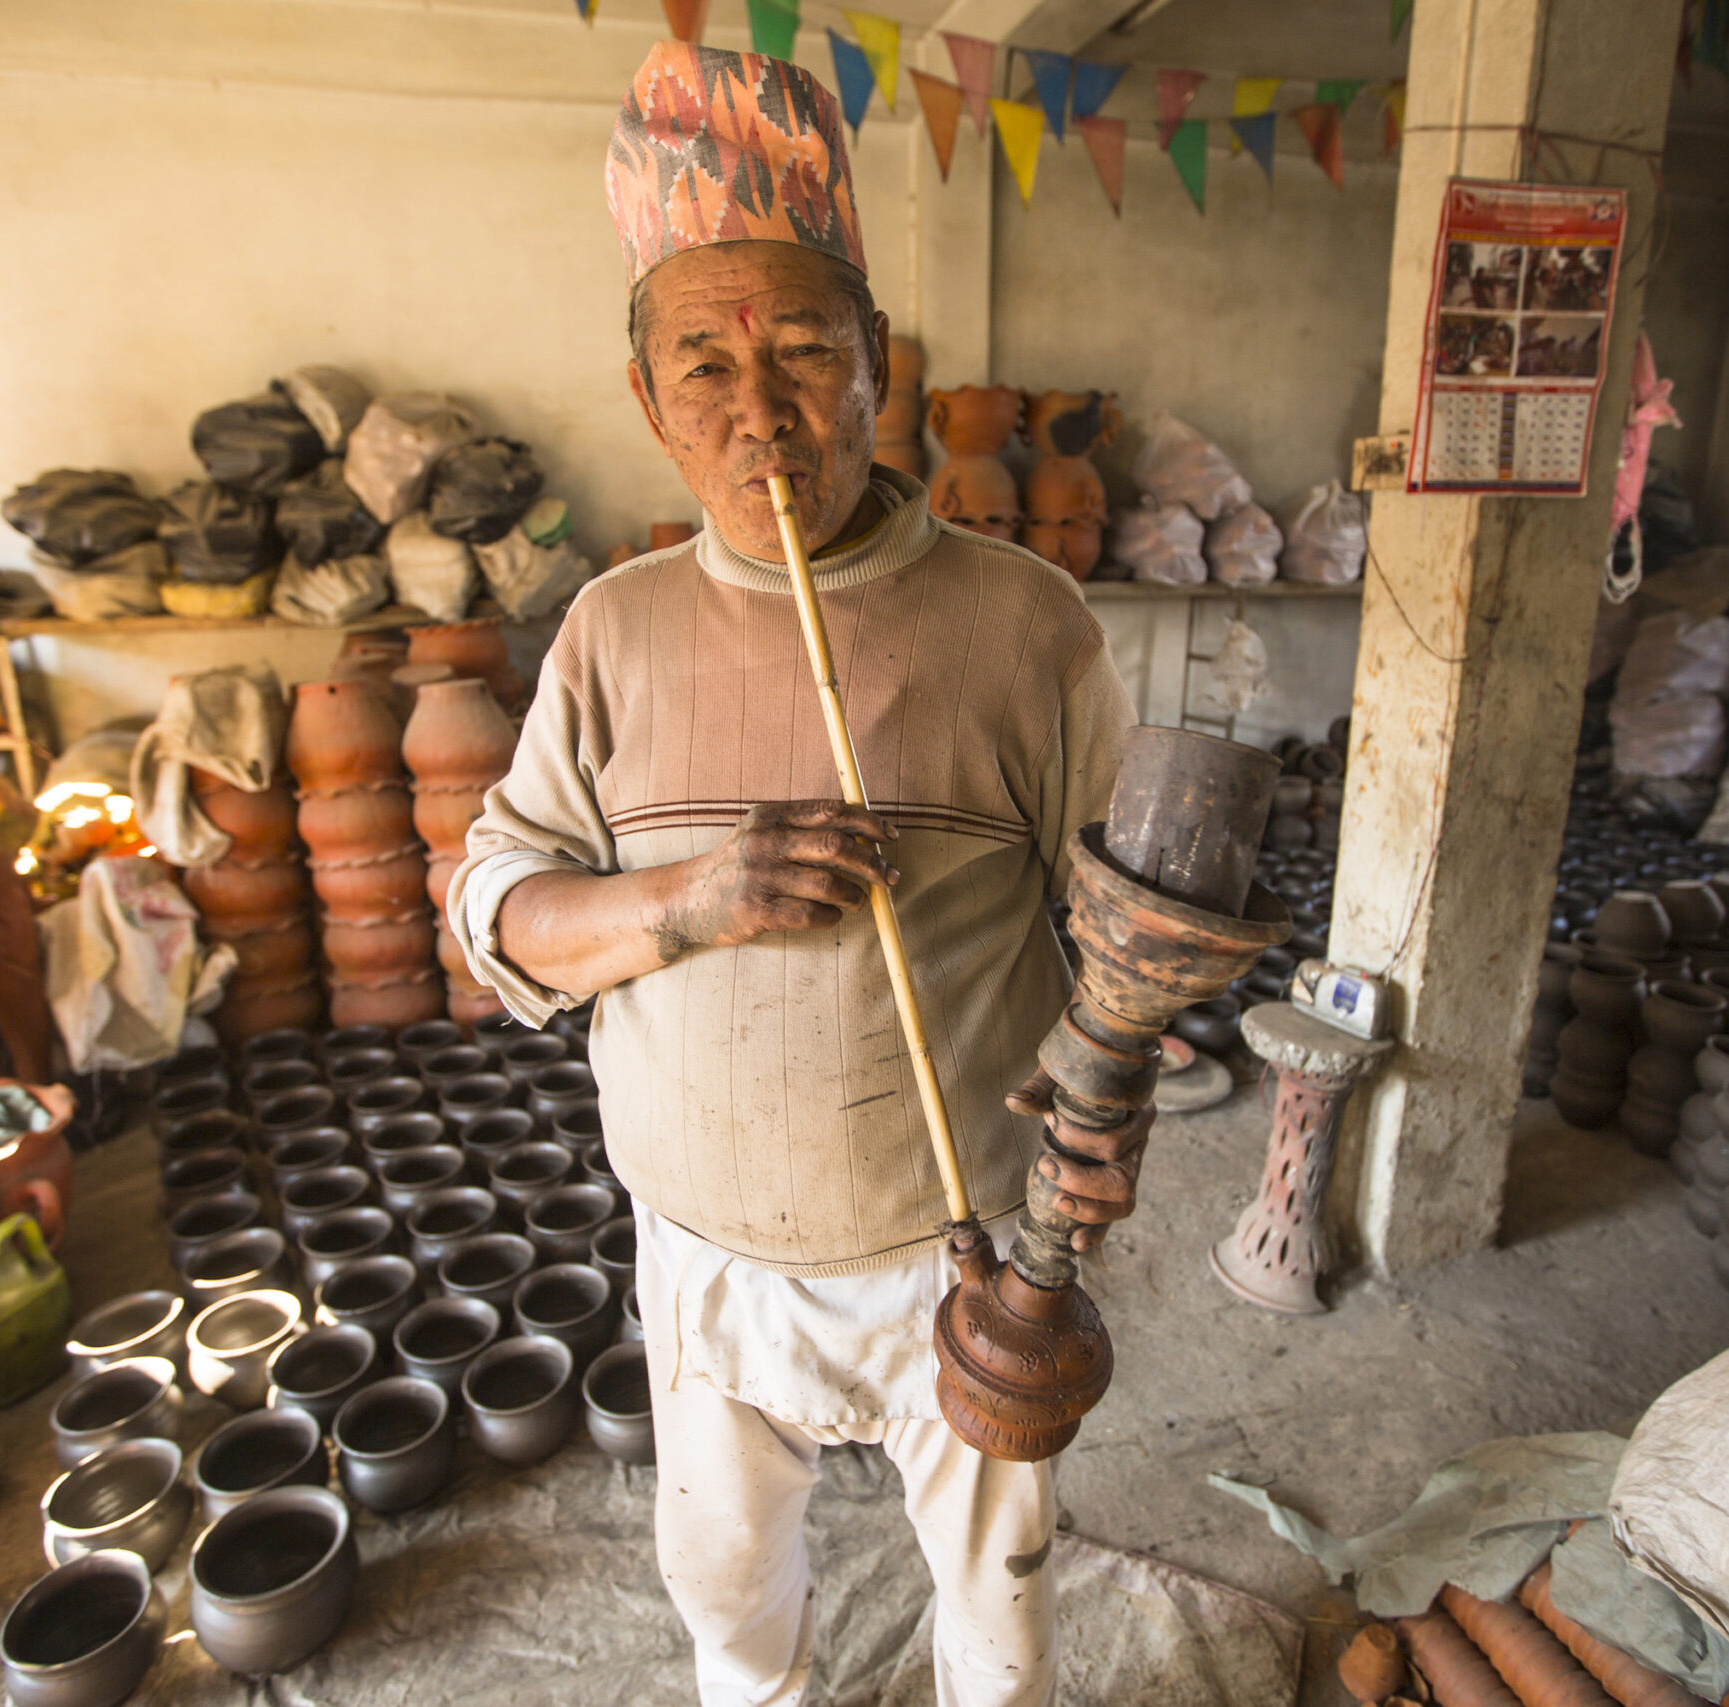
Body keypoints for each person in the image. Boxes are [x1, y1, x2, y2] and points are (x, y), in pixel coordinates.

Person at [453, 42, 1146, 1707]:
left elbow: (1124, 928)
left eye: (805, 356)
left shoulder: (1020, 620)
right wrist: (685, 903)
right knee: (736, 1617)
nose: (757, 411)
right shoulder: (611, 633)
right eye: (702, 365)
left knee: (998, 1624)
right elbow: (498, 916)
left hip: (966, 1253)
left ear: (879, 371)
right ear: (647, 400)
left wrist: (1112, 1112)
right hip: (705, 1253)